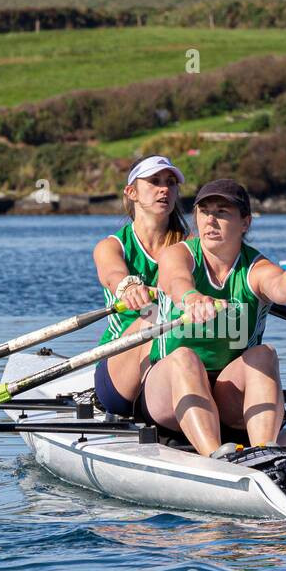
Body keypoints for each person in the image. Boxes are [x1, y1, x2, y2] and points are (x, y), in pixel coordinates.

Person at [136, 179, 286, 457]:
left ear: (245, 222)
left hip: (228, 393)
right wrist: (191, 298)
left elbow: (278, 286)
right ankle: (215, 457)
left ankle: (265, 455)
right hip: (167, 393)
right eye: (204, 212)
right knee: (185, 357)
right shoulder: (178, 254)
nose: (211, 220)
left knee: (265, 354)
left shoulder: (256, 267)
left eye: (222, 212)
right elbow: (176, 280)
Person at [91, 155, 188, 418]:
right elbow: (112, 274)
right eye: (154, 181)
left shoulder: (191, 246)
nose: (164, 189)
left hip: (179, 359)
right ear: (131, 192)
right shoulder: (111, 247)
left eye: (170, 183)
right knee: (153, 319)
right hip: (119, 371)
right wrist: (129, 286)